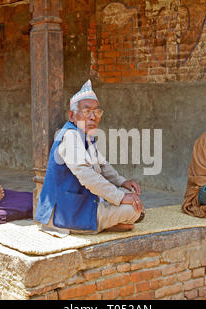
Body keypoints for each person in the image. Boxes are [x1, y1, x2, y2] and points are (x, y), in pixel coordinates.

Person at [35, 80, 144, 234]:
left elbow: (103, 165)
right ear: (72, 116)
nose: (93, 117)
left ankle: (106, 222)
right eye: (86, 111)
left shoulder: (86, 136)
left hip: (82, 204)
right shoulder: (70, 136)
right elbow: (87, 176)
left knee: (134, 201)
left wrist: (122, 182)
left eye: (97, 112)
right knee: (132, 210)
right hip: (67, 212)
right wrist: (120, 197)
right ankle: (99, 224)